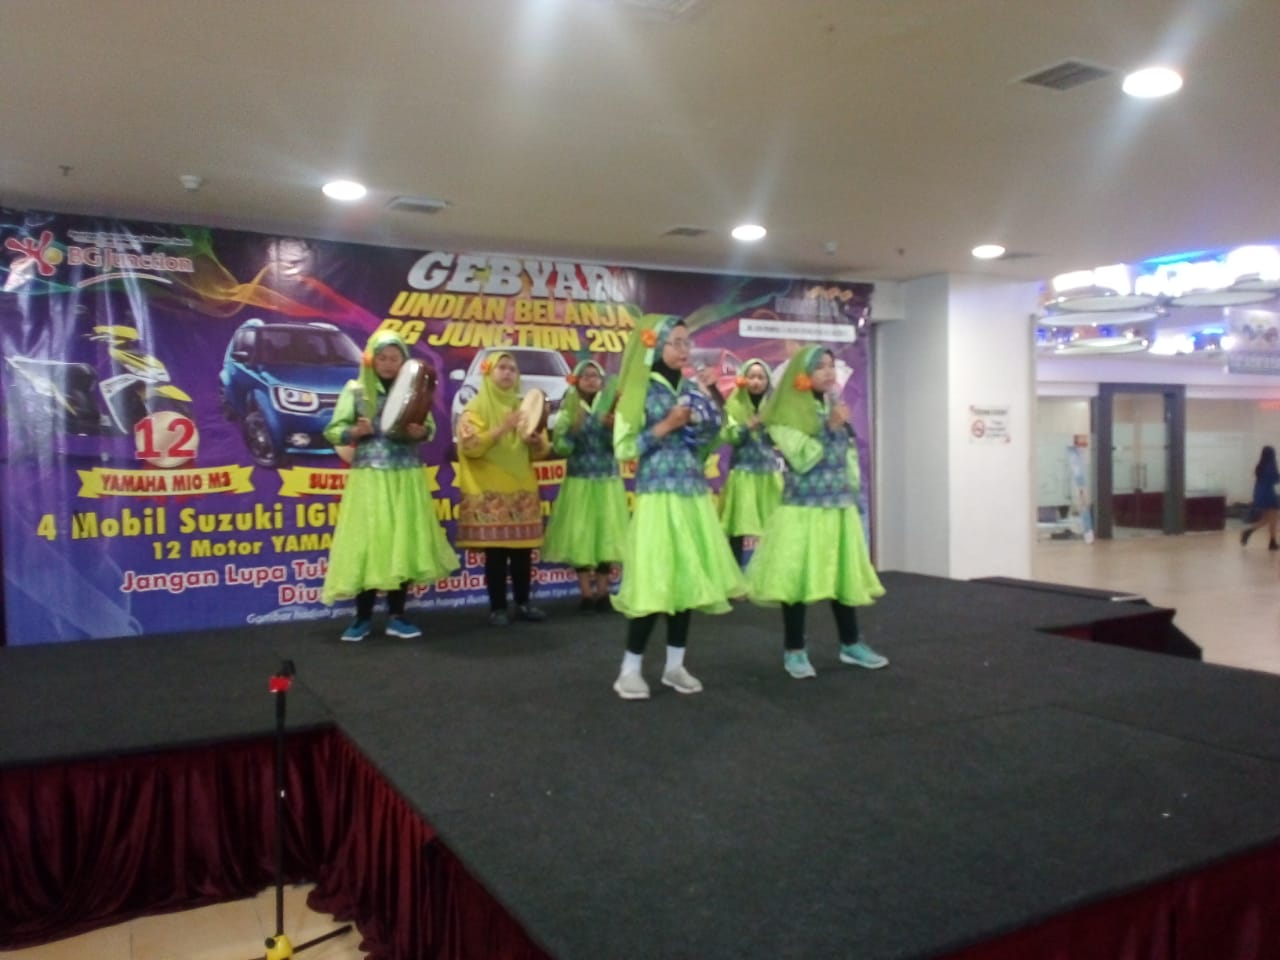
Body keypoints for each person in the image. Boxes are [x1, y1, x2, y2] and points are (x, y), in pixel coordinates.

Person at [610, 315, 747, 700]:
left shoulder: (691, 386)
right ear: (656, 345)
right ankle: (629, 670)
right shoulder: (638, 390)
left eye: (689, 342)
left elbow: (714, 438)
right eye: (678, 342)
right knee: (654, 582)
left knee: (686, 582)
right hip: (657, 497)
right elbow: (623, 448)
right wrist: (665, 425)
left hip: (691, 494)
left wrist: (711, 404)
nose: (686, 350)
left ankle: (675, 666)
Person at [745, 345, 887, 679]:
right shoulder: (786, 414)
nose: (828, 372)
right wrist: (831, 429)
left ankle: (851, 644)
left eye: (830, 365)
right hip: (803, 508)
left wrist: (852, 492)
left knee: (843, 576)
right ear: (802, 374)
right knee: (795, 581)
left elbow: (847, 456)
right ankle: (794, 650)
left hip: (837, 506)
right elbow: (802, 458)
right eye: (819, 366)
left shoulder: (832, 407)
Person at [320, 329, 459, 641]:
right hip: (370, 478)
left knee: (402, 542)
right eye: (382, 357)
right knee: (369, 543)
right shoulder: (356, 390)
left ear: (403, 361)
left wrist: (420, 432)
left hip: (405, 476)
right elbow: (333, 430)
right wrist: (354, 432)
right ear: (371, 359)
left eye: (394, 358)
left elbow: (429, 428)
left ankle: (397, 616)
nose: (387, 363)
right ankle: (362, 618)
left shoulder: (414, 391)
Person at [455, 351, 551, 625]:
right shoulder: (474, 407)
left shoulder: (525, 406)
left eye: (512, 369)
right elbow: (470, 446)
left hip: (521, 489)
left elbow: (543, 449)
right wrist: (502, 428)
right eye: (502, 367)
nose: (508, 373)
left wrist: (536, 442)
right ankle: (497, 608)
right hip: (489, 491)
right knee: (496, 554)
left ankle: (523, 604)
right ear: (489, 372)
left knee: (522, 554)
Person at [541, 359, 628, 611]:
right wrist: (572, 431)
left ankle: (603, 591)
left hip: (607, 481)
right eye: (586, 376)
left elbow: (623, 447)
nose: (591, 380)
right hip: (579, 481)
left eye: (595, 376)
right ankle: (586, 593)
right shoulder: (569, 410)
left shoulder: (611, 407)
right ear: (576, 381)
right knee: (580, 536)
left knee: (607, 537)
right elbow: (561, 448)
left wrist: (613, 429)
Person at [718, 358, 783, 567]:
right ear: (743, 379)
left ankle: (772, 576)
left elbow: (781, 437)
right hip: (742, 475)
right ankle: (735, 575)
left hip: (768, 475)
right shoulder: (734, 404)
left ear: (767, 381)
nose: (756, 382)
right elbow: (729, 436)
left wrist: (769, 426)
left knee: (774, 528)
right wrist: (747, 426)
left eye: (761, 377)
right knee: (738, 528)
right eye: (752, 377)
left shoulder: (774, 406)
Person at [1240, 445, 1280, 550]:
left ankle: (1249, 531)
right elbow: (1275, 479)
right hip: (1269, 494)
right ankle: (1272, 542)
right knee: (1274, 518)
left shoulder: (1260, 466)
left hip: (1260, 494)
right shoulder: (1271, 465)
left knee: (1267, 519)